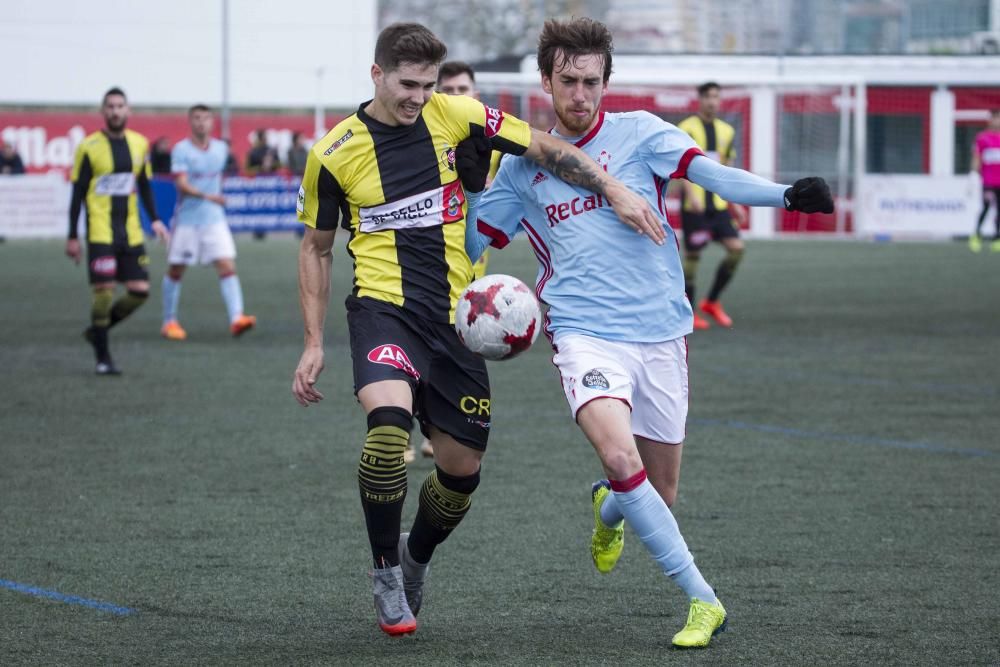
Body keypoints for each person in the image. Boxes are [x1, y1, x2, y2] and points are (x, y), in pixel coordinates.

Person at [463, 17, 833, 648]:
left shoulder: (641, 133)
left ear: (606, 80)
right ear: (546, 80)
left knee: (655, 493)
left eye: (591, 81)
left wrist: (788, 196)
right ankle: (704, 602)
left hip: (661, 332)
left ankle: (608, 508)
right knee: (619, 453)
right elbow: (474, 242)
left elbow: (711, 176)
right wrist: (470, 184)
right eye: (567, 81)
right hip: (583, 333)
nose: (580, 95)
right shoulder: (523, 169)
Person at [291, 22, 665, 637]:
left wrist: (614, 189)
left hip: (458, 322)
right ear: (377, 75)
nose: (418, 97)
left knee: (461, 473)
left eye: (428, 85)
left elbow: (546, 148)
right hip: (384, 311)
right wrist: (312, 342)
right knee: (387, 433)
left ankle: (414, 558)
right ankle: (385, 572)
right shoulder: (334, 153)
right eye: (407, 84)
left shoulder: (460, 114)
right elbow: (316, 248)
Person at [409, 60, 500, 463]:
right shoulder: (420, 141)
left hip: (473, 272)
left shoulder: (493, 147)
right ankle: (402, 434)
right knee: (412, 350)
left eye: (463, 89)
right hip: (426, 271)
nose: (455, 97)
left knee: (457, 360)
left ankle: (437, 431)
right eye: (447, 90)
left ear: (475, 96)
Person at [65, 87, 169, 375]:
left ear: (128, 110)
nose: (115, 111)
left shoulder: (139, 144)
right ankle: (103, 357)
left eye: (120, 106)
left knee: (139, 292)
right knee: (104, 292)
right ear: (103, 111)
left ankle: (97, 330)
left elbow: (145, 185)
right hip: (100, 232)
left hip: (131, 232)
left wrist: (156, 219)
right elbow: (77, 193)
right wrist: (73, 235)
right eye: (110, 106)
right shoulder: (88, 146)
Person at [160, 104, 256, 340]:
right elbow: (180, 184)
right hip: (187, 220)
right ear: (190, 122)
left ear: (212, 122)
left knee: (226, 265)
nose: (201, 122)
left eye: (205, 118)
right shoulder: (181, 150)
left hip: (214, 219)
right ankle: (169, 321)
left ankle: (237, 318)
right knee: (176, 269)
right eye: (196, 118)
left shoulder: (221, 149)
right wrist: (208, 196)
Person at [677, 82, 748, 330]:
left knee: (737, 249)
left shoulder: (726, 131)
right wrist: (691, 194)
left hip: (717, 206)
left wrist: (735, 203)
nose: (712, 101)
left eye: (716, 97)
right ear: (699, 99)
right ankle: (690, 312)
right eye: (708, 96)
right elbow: (679, 166)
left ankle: (712, 302)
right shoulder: (686, 128)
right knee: (693, 257)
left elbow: (727, 171)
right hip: (694, 206)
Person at [970, 109, 1000, 253]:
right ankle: (977, 235)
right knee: (986, 207)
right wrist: (974, 173)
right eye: (995, 118)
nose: (997, 121)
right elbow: (977, 157)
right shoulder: (983, 138)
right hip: (988, 181)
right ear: (990, 120)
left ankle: (997, 238)